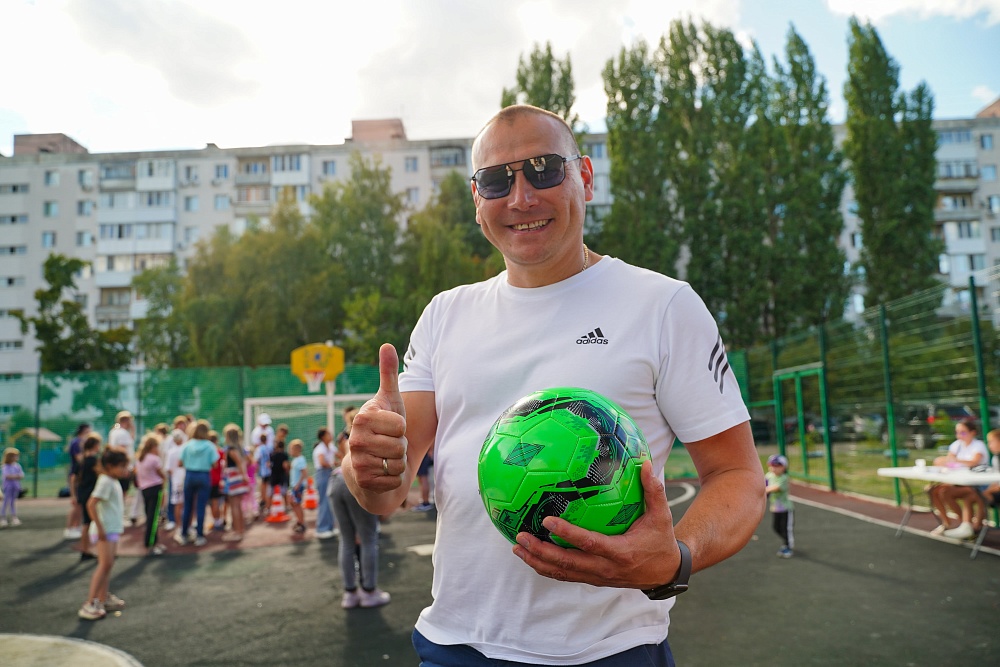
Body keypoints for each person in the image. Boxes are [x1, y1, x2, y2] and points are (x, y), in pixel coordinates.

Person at [342, 105, 763, 665]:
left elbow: (739, 477)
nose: (521, 198)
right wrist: (366, 463)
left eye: (544, 170)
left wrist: (677, 558)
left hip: (610, 651)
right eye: (496, 180)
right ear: (476, 198)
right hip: (456, 646)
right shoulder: (445, 314)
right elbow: (385, 495)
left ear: (584, 177)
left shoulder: (662, 306)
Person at [330, 419, 390, 609]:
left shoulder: (345, 436)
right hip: (356, 478)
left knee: (347, 540)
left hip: (336, 478)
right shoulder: (372, 435)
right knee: (368, 539)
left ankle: (350, 593)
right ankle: (369, 592)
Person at [78, 448, 130, 620]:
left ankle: (103, 598)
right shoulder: (106, 481)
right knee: (104, 564)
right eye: (122, 466)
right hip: (105, 530)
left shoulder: (112, 480)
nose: (125, 470)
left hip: (111, 529)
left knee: (108, 564)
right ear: (110, 466)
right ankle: (89, 604)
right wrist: (100, 528)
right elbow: (91, 504)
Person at [930, 419, 990, 539]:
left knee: (948, 492)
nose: (959, 435)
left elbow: (974, 462)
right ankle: (950, 523)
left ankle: (969, 526)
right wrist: (945, 461)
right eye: (957, 432)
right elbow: (946, 461)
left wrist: (955, 461)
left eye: (963, 432)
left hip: (976, 484)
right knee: (933, 490)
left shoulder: (978, 446)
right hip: (958, 481)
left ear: (972, 432)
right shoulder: (957, 445)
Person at [177, 420, 220, 547]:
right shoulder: (210, 446)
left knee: (188, 506)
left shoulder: (187, 445)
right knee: (201, 506)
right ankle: (200, 535)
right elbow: (215, 464)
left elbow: (180, 463)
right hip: (204, 476)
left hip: (190, 475)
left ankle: (184, 534)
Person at [135, 433, 167, 556]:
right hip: (155, 488)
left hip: (144, 489)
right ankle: (150, 544)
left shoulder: (140, 458)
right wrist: (164, 480)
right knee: (153, 518)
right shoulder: (154, 459)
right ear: (153, 446)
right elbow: (161, 474)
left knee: (150, 516)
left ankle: (154, 542)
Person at [221, 424, 249, 542]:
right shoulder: (240, 448)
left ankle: (237, 531)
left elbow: (239, 462)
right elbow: (244, 462)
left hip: (234, 478)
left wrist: (244, 476)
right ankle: (239, 530)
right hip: (238, 477)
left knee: (234, 506)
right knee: (237, 505)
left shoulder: (231, 449)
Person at [76, 434, 102, 560]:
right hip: (90, 493)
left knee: (87, 522)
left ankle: (85, 549)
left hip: (83, 492)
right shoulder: (93, 460)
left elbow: (74, 477)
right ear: (95, 445)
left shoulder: (83, 459)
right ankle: (94, 549)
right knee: (91, 523)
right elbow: (101, 473)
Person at [64, 423, 91, 539]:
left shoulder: (81, 442)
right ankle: (69, 528)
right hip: (76, 476)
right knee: (76, 503)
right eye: (88, 431)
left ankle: (76, 526)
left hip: (81, 476)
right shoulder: (76, 442)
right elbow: (79, 458)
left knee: (80, 505)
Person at [765, 455, 794, 558]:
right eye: (772, 465)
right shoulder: (768, 476)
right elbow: (764, 484)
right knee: (776, 528)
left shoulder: (784, 478)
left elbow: (775, 488)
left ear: (784, 467)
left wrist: (763, 490)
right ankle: (786, 542)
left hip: (785, 509)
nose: (774, 468)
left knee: (786, 529)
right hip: (775, 509)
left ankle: (788, 546)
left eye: (777, 466)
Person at [312, 427, 337, 538]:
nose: (330, 436)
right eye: (328, 434)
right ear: (323, 437)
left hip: (329, 473)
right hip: (322, 474)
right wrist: (333, 463)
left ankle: (330, 526)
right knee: (324, 501)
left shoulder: (330, 447)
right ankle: (321, 529)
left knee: (330, 500)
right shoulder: (320, 449)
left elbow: (340, 454)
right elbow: (322, 462)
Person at [164, 429, 185, 532]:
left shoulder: (172, 451)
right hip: (184, 479)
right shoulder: (184, 449)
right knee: (184, 503)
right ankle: (183, 525)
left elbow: (168, 469)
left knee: (176, 503)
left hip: (176, 480)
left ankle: (177, 524)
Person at [1, 447, 25, 527]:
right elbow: (7, 476)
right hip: (8, 487)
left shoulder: (17, 466)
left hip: (15, 486)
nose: (16, 457)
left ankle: (14, 517)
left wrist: (15, 476)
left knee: (13, 502)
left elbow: (21, 475)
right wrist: (16, 476)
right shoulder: (5, 466)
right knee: (5, 502)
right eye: (14, 456)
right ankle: (2, 518)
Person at [288, 439, 308, 534]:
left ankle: (301, 522)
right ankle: (299, 520)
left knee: (297, 503)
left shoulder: (300, 459)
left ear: (297, 450)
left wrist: (298, 484)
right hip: (294, 485)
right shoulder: (295, 460)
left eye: (291, 449)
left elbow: (304, 472)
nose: (290, 451)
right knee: (293, 502)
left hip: (297, 486)